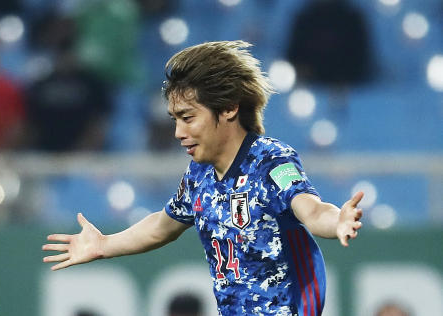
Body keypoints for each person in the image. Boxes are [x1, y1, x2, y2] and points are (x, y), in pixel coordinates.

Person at [43, 41, 364, 316]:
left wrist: (336, 222)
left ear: (227, 108)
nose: (178, 133)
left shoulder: (270, 160)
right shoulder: (199, 175)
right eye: (175, 120)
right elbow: (162, 226)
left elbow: (311, 209)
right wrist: (105, 244)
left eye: (188, 118)